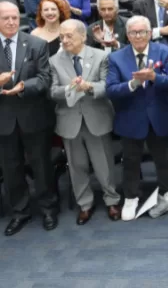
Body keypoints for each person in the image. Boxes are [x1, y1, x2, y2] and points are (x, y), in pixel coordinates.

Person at [106, 15, 168, 221]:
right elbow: (110, 89)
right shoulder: (116, 57)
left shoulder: (165, 51)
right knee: (130, 161)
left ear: (150, 34)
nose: (138, 36)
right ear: (127, 35)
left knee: (163, 159)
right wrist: (133, 84)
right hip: (130, 117)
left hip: (159, 115)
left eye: (142, 32)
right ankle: (131, 197)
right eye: (133, 32)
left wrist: (154, 78)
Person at [49, 19, 121, 225]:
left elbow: (107, 85)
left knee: (104, 164)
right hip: (69, 121)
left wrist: (89, 87)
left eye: (69, 36)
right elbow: (52, 91)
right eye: (61, 36)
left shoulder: (100, 56)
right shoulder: (55, 60)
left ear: (83, 36)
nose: (64, 40)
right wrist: (69, 89)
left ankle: (111, 200)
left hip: (96, 117)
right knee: (76, 166)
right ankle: (85, 204)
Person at [0, 0, 57, 236]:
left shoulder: (36, 44)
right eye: (6, 18)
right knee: (11, 169)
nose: (12, 22)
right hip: (4, 120)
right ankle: (20, 212)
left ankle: (48, 209)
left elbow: (45, 78)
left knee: (41, 165)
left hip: (33, 116)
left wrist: (23, 85)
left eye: (15, 17)